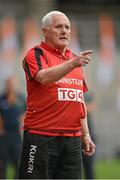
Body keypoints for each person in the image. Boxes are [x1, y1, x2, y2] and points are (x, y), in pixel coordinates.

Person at [18, 11, 96, 179]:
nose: (64, 31)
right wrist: (72, 64)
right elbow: (43, 77)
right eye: (58, 26)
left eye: (67, 27)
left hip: (72, 140)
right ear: (45, 31)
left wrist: (86, 135)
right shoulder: (36, 54)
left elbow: (78, 99)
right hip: (41, 136)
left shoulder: (74, 59)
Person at [0, 77, 26, 179]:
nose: (10, 86)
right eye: (9, 84)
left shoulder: (20, 98)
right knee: (3, 162)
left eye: (12, 84)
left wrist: (22, 125)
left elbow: (26, 112)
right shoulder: (2, 98)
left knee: (17, 160)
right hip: (4, 133)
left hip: (16, 133)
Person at [82, 90, 96, 179]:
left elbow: (92, 107)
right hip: (77, 136)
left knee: (89, 166)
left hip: (89, 135)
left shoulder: (87, 93)